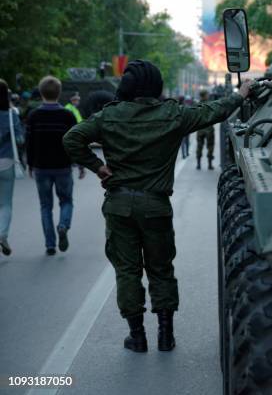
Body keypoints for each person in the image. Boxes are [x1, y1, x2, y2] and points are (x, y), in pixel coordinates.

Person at [63, 60, 252, 353]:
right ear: (156, 86)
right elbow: (213, 111)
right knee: (161, 269)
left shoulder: (109, 116)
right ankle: (166, 335)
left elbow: (72, 138)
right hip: (155, 206)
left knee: (127, 271)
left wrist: (98, 167)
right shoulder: (172, 114)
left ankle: (137, 336)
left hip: (119, 204)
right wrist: (240, 95)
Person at [27, 76, 85, 256]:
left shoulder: (34, 115)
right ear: (59, 93)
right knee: (66, 200)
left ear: (41, 93)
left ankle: (50, 245)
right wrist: (81, 164)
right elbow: (76, 141)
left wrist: (30, 164)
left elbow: (30, 143)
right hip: (63, 166)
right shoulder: (67, 115)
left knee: (45, 206)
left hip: (41, 167)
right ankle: (63, 225)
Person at [0, 79, 24, 256]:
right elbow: (20, 140)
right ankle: (2, 234)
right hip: (6, 162)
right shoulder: (11, 114)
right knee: (5, 203)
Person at [195, 89, 215, 170]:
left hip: (200, 129)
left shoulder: (197, 104)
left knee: (199, 146)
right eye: (207, 94)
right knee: (210, 146)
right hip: (209, 129)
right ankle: (209, 164)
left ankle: (198, 164)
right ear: (205, 95)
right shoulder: (210, 104)